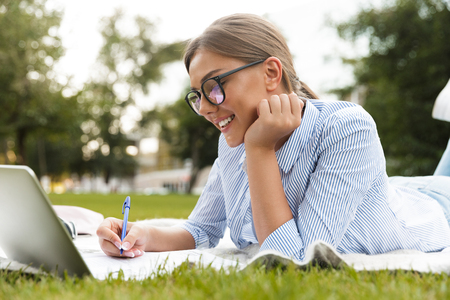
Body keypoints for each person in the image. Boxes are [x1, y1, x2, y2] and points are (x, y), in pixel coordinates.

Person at [97, 14, 450, 260]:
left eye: (214, 87)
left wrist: (260, 150)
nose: (205, 108)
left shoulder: (347, 128)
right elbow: (202, 229)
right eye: (197, 96)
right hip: (401, 189)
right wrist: (140, 234)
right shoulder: (233, 144)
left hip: (436, 208)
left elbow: (295, 258)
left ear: (270, 72)